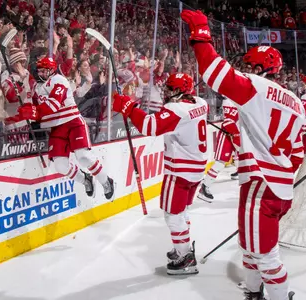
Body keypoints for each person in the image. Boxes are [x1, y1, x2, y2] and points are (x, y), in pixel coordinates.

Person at [182, 10, 305, 300]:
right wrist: (281, 171)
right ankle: (253, 290)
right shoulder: (297, 103)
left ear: (260, 68)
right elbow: (298, 153)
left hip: (261, 184)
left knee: (264, 253)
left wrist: (201, 32)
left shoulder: (256, 88)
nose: (246, 70)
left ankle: (277, 295)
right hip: (281, 186)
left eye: (249, 65)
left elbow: (213, 71)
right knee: (252, 244)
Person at [112, 72, 208, 276]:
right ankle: (184, 247)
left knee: (173, 215)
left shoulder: (177, 108)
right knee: (181, 211)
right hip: (197, 169)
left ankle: (186, 258)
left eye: (171, 89)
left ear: (180, 92)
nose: (167, 93)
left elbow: (149, 126)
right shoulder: (200, 102)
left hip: (180, 171)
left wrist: (129, 108)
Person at [17, 57, 114, 200]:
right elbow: (35, 111)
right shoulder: (37, 87)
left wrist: (34, 112)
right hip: (56, 128)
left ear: (51, 70)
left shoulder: (59, 80)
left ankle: (106, 181)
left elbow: (53, 105)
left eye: (44, 71)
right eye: (39, 71)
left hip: (72, 122)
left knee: (84, 157)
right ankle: (85, 179)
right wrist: (28, 108)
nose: (41, 74)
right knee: (61, 166)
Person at [198, 95, 240, 203]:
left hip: (238, 134)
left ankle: (241, 176)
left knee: (241, 158)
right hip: (227, 134)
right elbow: (228, 122)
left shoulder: (239, 99)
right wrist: (236, 135)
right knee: (220, 162)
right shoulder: (229, 101)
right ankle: (204, 187)